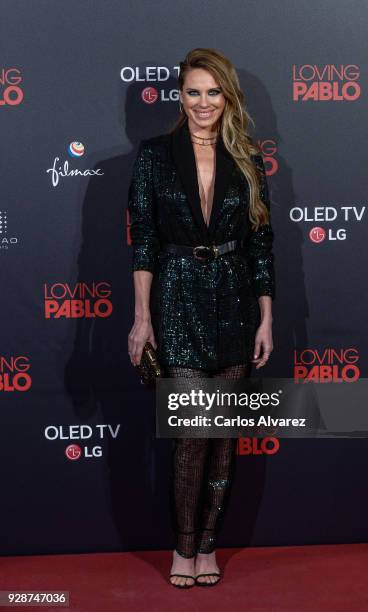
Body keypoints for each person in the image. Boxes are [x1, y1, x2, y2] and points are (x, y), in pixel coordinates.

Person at [128, 48, 275, 588]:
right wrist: (142, 318)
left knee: (222, 438)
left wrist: (266, 318)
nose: (204, 102)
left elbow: (261, 244)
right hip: (177, 300)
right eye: (194, 91)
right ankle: (183, 546)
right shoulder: (155, 157)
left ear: (227, 96)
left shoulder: (248, 158)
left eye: (214, 92)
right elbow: (144, 240)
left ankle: (210, 543)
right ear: (180, 96)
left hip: (235, 304)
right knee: (192, 436)